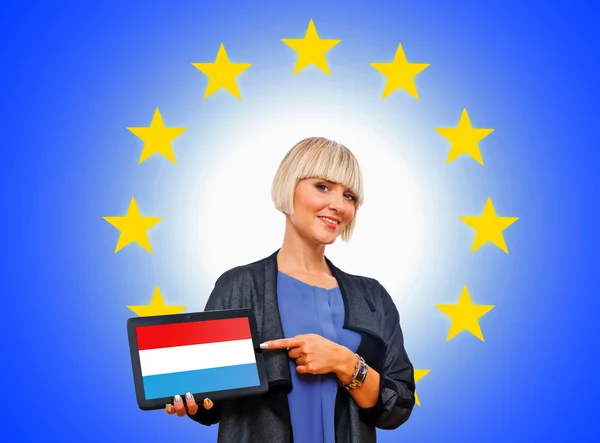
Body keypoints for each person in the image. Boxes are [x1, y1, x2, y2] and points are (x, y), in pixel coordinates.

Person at [166, 136, 416, 442]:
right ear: (289, 187)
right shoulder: (239, 286)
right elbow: (212, 403)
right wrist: (192, 402)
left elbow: (398, 407)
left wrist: (344, 362)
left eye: (349, 196)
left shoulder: (373, 297)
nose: (338, 205)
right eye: (323, 187)